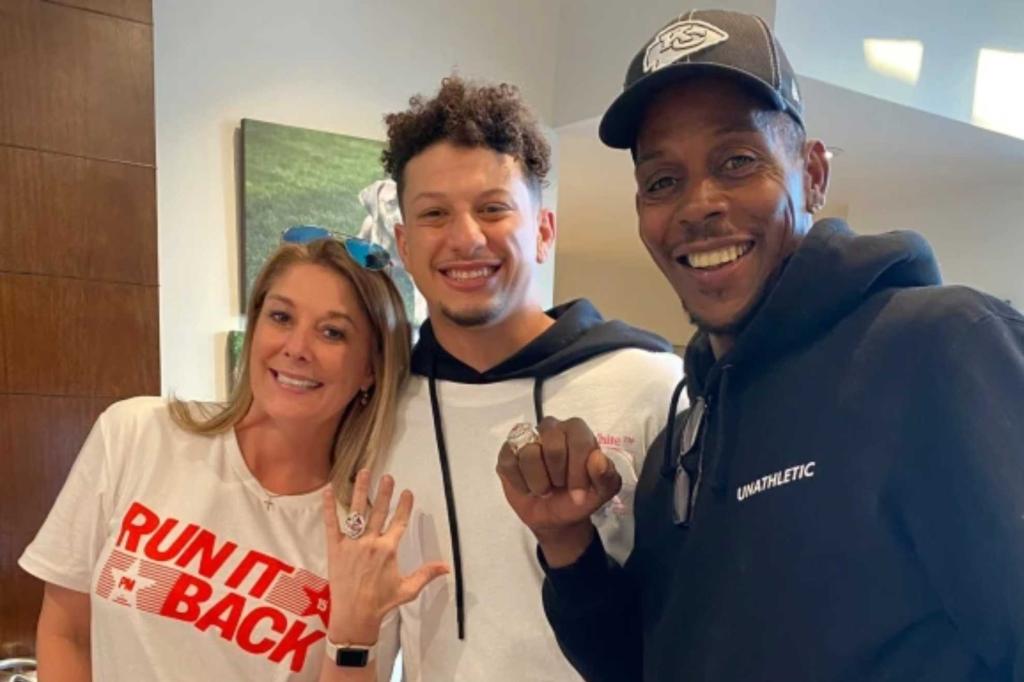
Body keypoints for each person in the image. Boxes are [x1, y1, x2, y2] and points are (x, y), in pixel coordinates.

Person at [497, 8, 1024, 682]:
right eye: (663, 181)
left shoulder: (942, 351)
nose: (698, 204)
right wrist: (568, 543)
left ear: (812, 174)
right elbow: (646, 665)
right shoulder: (684, 444)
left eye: (737, 161)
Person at [20, 231, 448, 681]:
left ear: (370, 369)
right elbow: (66, 631)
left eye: (332, 332)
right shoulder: (135, 434)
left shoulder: (370, 532)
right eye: (281, 317)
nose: (297, 348)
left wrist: (353, 635)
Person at [372, 75, 685, 680]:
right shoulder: (381, 407)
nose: (466, 238)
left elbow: (695, 612)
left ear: (542, 231)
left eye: (493, 208)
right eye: (435, 213)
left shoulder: (651, 385)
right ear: (406, 246)